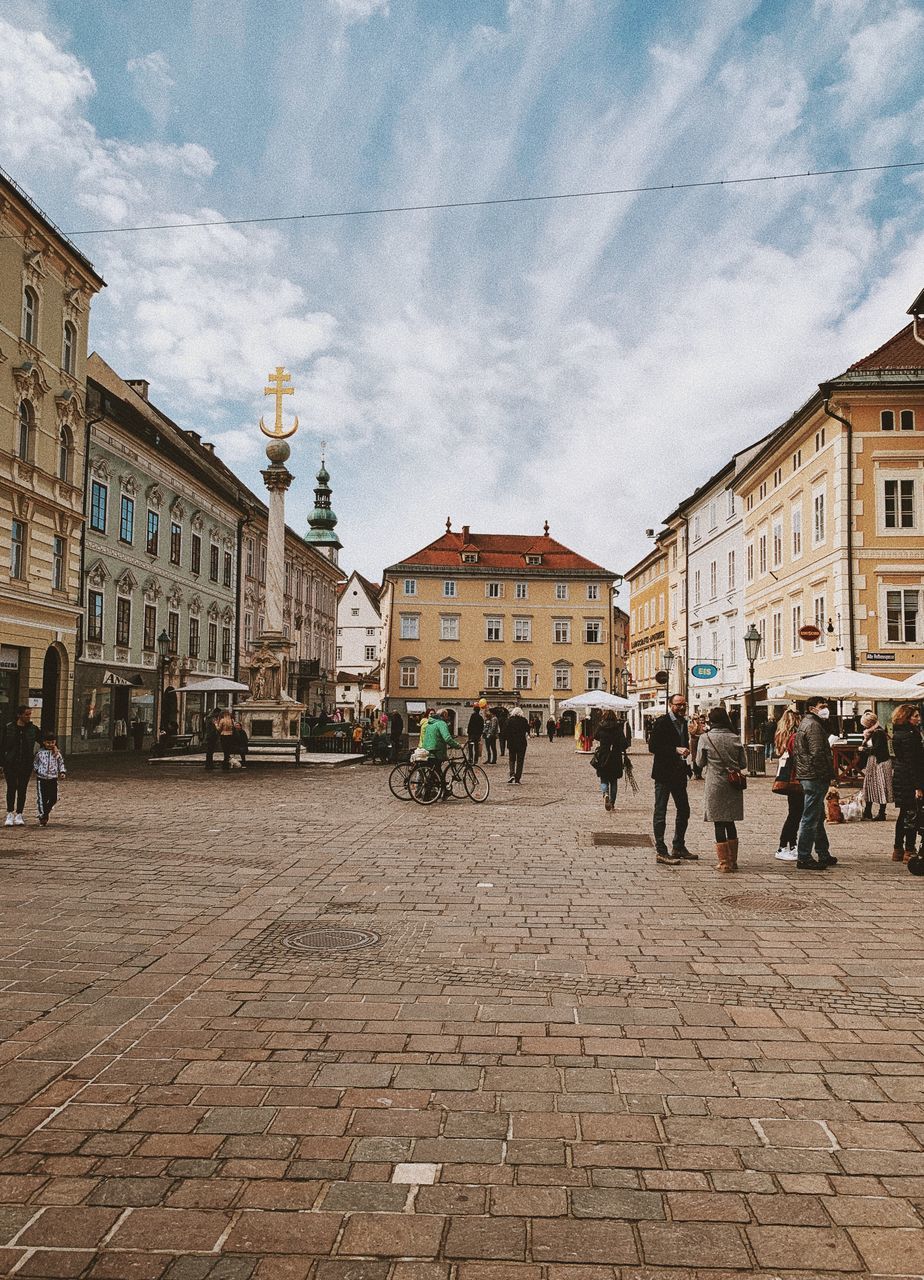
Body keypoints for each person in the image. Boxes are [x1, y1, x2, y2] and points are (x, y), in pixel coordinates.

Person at [696, 707, 747, 872]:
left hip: (715, 785)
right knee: (730, 821)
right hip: (733, 785)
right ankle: (733, 861)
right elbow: (744, 764)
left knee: (718, 822)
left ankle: (724, 863)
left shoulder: (705, 738)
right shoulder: (735, 737)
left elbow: (699, 763)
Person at [648, 694, 695, 865]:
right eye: (678, 705)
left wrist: (686, 754)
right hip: (663, 774)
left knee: (684, 810)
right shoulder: (662, 722)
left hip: (679, 773)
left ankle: (678, 846)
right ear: (670, 705)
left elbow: (683, 743)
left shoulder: (683, 722)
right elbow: (653, 746)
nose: (682, 707)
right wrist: (676, 749)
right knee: (661, 811)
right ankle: (661, 851)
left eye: (684, 704)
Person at [793, 696, 837, 870]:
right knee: (810, 817)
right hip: (814, 776)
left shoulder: (807, 723)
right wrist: (825, 775)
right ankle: (803, 856)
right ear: (812, 708)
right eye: (822, 706)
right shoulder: (814, 726)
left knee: (817, 816)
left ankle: (823, 853)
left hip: (808, 774)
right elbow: (818, 753)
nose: (826, 708)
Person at [890, 704, 924, 863]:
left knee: (904, 813)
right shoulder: (911, 735)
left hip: (901, 776)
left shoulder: (898, 733)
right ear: (907, 717)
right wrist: (918, 786)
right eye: (915, 716)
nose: (919, 719)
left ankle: (898, 848)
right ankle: (909, 850)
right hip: (910, 778)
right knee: (912, 814)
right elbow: (914, 762)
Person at [772, 707, 802, 862]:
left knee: (794, 812)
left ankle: (791, 844)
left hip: (787, 777)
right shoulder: (794, 736)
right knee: (795, 814)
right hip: (794, 777)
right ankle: (784, 845)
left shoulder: (780, 734)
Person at [2, 705, 38, 827]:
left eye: (29, 714)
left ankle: (19, 814)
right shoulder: (8, 728)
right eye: (26, 714)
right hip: (10, 763)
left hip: (26, 763)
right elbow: (2, 746)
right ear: (19, 715)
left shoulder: (33, 729)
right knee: (11, 787)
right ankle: (10, 813)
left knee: (22, 788)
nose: (29, 717)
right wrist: (1, 763)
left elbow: (44, 740)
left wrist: (53, 746)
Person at [420, 708, 461, 796]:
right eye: (447, 716)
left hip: (428, 749)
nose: (447, 718)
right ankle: (428, 795)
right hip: (437, 751)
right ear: (444, 716)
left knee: (436, 772)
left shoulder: (430, 723)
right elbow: (447, 738)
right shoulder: (441, 723)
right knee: (436, 773)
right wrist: (457, 745)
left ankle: (443, 791)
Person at [859, 711, 891, 821]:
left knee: (881, 786)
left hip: (879, 762)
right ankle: (868, 811)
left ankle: (881, 813)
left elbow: (877, 749)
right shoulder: (872, 732)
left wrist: (864, 749)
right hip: (873, 762)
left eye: (864, 724)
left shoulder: (878, 732)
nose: (863, 726)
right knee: (870, 786)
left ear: (869, 723)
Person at [593, 711, 628, 811]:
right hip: (615, 757)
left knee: (604, 779)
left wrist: (603, 740)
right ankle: (612, 803)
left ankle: (605, 794)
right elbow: (624, 743)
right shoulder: (618, 727)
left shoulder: (601, 726)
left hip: (603, 755)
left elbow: (595, 736)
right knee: (613, 781)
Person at [34, 730, 66, 826]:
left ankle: (45, 813)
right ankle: (43, 817)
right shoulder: (39, 753)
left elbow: (61, 763)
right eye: (48, 742)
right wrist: (37, 770)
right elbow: (35, 762)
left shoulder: (56, 753)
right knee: (42, 798)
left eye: (52, 742)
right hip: (42, 778)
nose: (50, 744)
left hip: (53, 778)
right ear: (44, 742)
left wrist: (62, 772)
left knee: (53, 798)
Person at [505, 706, 529, 784]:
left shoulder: (509, 720)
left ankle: (512, 774)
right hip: (521, 743)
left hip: (511, 743)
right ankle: (517, 778)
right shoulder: (524, 720)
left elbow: (505, 731)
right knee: (520, 761)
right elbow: (528, 730)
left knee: (512, 759)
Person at [689, 715, 705, 781]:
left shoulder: (702, 725)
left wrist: (698, 735)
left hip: (700, 741)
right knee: (694, 758)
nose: (697, 720)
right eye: (695, 718)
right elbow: (692, 733)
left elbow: (703, 733)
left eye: (698, 718)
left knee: (701, 756)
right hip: (694, 743)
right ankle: (696, 774)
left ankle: (700, 774)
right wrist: (695, 726)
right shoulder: (691, 725)